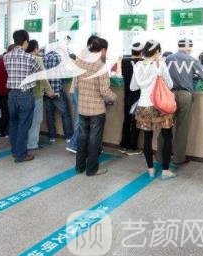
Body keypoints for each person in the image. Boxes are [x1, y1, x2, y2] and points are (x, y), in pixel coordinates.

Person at [131, 40, 176, 180]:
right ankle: (165, 171)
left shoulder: (137, 65)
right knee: (167, 136)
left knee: (147, 138)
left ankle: (150, 169)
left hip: (143, 106)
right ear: (156, 52)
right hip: (159, 106)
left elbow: (133, 87)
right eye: (159, 52)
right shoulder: (160, 64)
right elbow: (170, 84)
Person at [160, 39, 203, 165]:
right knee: (182, 128)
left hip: (169, 95)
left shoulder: (168, 58)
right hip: (185, 95)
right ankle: (178, 158)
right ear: (189, 47)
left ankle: (160, 156)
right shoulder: (191, 60)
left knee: (165, 126)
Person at [76, 37, 116, 176]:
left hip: (82, 107)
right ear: (102, 50)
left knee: (82, 137)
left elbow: (76, 84)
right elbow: (104, 91)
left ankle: (79, 167)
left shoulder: (80, 63)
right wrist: (114, 97)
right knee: (94, 139)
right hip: (96, 110)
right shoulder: (101, 66)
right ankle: (92, 169)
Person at [4, 30, 40, 163]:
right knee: (24, 125)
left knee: (13, 123)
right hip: (25, 94)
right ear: (25, 42)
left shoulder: (6, 57)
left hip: (12, 94)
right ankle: (21, 154)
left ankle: (15, 150)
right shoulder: (30, 58)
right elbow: (38, 73)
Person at [25, 40, 55, 153]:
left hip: (25, 93)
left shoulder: (24, 58)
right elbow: (43, 78)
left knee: (26, 119)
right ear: (35, 48)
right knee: (36, 119)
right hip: (36, 93)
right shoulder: (37, 59)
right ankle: (32, 144)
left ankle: (25, 142)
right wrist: (50, 91)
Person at [43, 45, 73, 142]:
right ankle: (68, 137)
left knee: (49, 115)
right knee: (65, 114)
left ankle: (52, 137)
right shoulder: (59, 57)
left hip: (47, 92)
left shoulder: (43, 58)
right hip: (57, 91)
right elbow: (66, 72)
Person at [119, 41, 144, 155]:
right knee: (136, 122)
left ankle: (123, 145)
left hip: (127, 95)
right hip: (139, 96)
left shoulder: (124, 61)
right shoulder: (144, 62)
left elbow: (124, 75)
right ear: (142, 51)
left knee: (127, 120)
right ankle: (133, 147)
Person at [0, 44, 14, 137]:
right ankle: (4, 131)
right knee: (5, 111)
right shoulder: (10, 60)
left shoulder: (1, 59)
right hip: (5, 89)